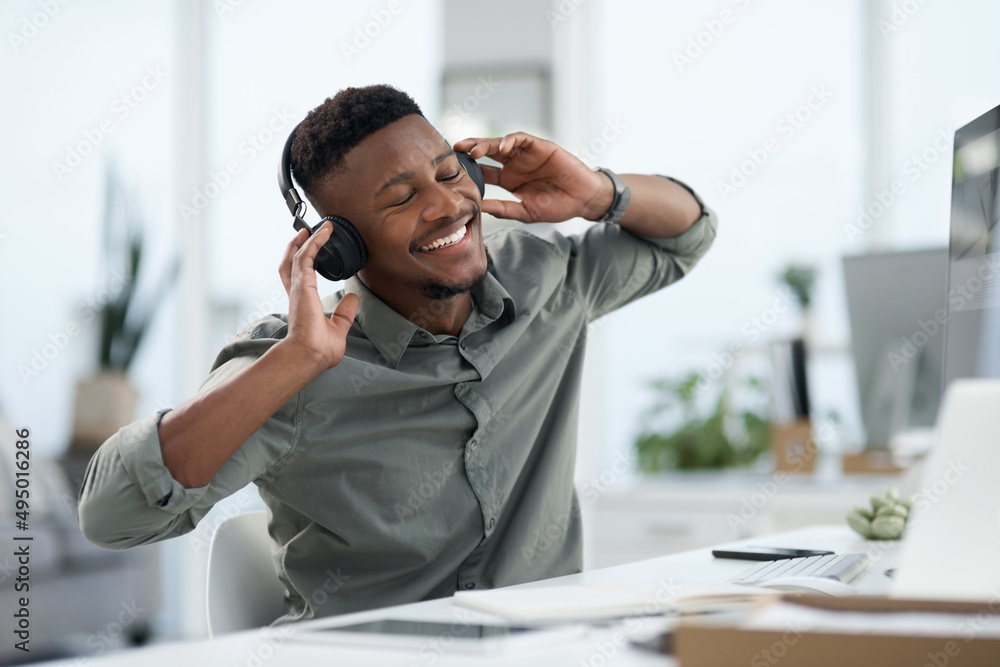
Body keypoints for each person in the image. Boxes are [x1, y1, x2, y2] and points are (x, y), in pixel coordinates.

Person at [78, 84, 717, 623]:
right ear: (337, 247)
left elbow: (687, 235)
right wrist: (296, 363)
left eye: (448, 173)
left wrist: (600, 193)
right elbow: (112, 517)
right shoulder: (291, 363)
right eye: (402, 197)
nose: (447, 206)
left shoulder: (543, 277)